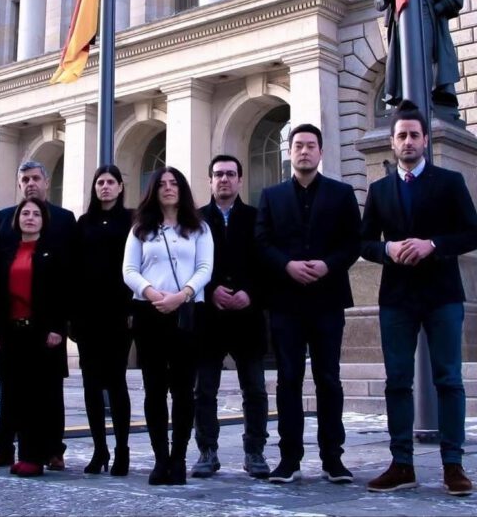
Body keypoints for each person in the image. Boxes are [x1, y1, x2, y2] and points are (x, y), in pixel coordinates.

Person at [361, 101, 477, 497]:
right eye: (401, 136)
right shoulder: (378, 190)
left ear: (425, 140)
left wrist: (433, 244)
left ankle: (453, 464)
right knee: (397, 380)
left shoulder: (450, 182)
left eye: (414, 135)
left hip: (443, 294)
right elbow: (364, 242)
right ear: (392, 144)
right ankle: (402, 463)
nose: (408, 141)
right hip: (396, 298)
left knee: (449, 379)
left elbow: (472, 233)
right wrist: (388, 250)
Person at [256, 124, 360, 485]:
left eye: (310, 146)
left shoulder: (342, 193)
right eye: (298, 145)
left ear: (320, 152)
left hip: (328, 299)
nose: (304, 151)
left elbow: (354, 242)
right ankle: (289, 459)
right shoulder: (271, 195)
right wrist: (286, 264)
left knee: (328, 379)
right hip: (286, 302)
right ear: (289, 151)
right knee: (288, 380)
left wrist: (328, 264)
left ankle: (333, 459)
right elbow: (262, 241)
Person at [0, 160, 75, 471]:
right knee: (10, 390)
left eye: (36, 177)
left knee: (49, 393)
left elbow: (66, 280)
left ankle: (52, 449)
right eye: (25, 179)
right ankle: (3, 447)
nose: (31, 183)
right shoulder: (1, 219)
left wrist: (59, 324)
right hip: (12, 321)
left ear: (46, 182)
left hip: (46, 323)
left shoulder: (63, 220)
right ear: (19, 184)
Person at [123, 166, 213, 486]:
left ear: (182, 189)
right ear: (153, 190)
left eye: (174, 183)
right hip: (149, 313)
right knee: (154, 389)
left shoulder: (198, 227)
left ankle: (179, 458)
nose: (168, 188)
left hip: (186, 313)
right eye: (162, 184)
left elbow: (205, 268)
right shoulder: (140, 229)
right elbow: (129, 270)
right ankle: (160, 458)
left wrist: (182, 295)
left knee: (184, 390)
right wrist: (151, 293)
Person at [191, 155, 270, 480]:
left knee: (254, 389)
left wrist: (250, 293)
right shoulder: (195, 220)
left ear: (239, 180)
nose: (224, 180)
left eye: (230, 174)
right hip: (208, 319)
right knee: (204, 390)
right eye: (218, 175)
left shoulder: (257, 218)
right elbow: (187, 265)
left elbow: (266, 263)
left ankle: (255, 453)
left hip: (248, 317)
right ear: (210, 181)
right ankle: (207, 452)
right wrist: (210, 292)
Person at [71, 165, 133, 476]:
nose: (105, 187)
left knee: (117, 383)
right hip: (87, 316)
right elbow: (74, 270)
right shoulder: (83, 223)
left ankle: (122, 449)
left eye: (111, 182)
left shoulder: (132, 220)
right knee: (91, 386)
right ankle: (100, 450)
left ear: (121, 187)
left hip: (119, 315)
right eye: (100, 182)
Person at [375, 0, 463, 118]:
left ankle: (425, 102)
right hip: (401, 21)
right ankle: (408, 105)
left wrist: (439, 8)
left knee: (424, 58)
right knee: (404, 63)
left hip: (426, 16)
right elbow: (378, 2)